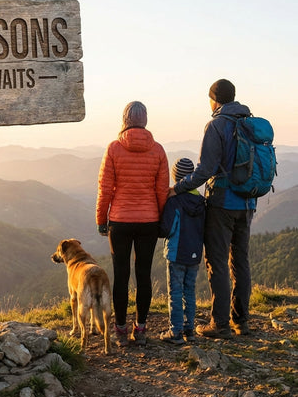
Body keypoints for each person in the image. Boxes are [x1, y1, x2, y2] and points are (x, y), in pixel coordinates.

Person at [172, 79, 256, 338]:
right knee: (240, 261)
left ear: (215, 100)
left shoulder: (216, 125)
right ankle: (240, 321)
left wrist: (178, 188)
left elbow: (204, 170)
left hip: (223, 202)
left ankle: (219, 324)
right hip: (248, 202)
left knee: (217, 262)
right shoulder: (249, 123)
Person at [96, 101, 169, 346]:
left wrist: (101, 219)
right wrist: (160, 219)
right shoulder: (158, 150)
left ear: (125, 119)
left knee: (121, 276)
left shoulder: (114, 148)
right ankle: (141, 329)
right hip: (149, 220)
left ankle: (120, 331)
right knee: (144, 275)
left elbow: (105, 189)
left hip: (120, 221)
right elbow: (161, 190)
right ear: (145, 120)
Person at [159, 158, 205, 345]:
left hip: (176, 253)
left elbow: (166, 230)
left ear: (175, 177)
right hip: (194, 254)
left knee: (175, 293)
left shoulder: (174, 201)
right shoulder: (201, 201)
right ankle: (189, 329)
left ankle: (175, 331)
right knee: (190, 291)